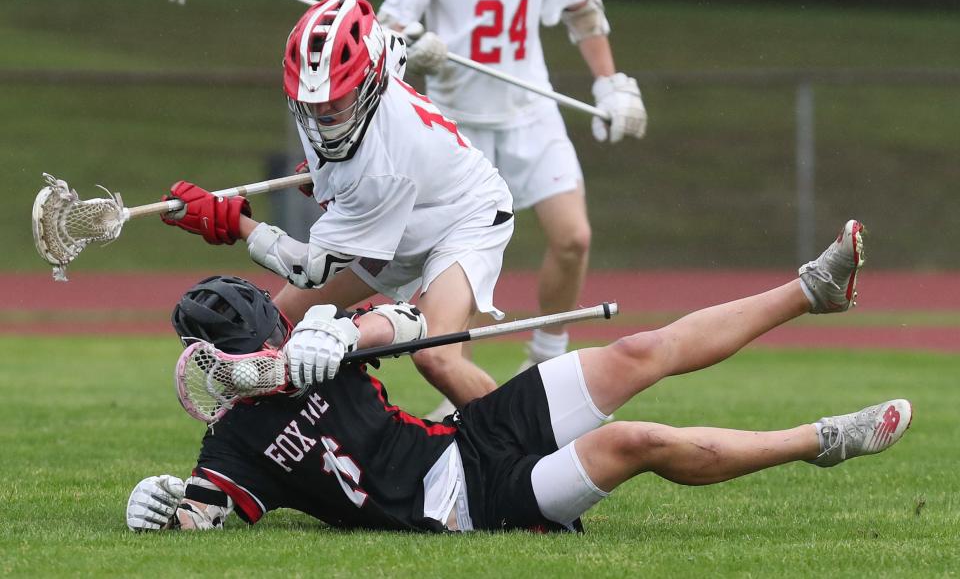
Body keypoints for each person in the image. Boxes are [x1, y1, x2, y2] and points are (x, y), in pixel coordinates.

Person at [127, 220, 912, 534]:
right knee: (634, 441)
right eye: (264, 343)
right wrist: (153, 506)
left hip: (471, 435)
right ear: (217, 371)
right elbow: (202, 518)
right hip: (470, 506)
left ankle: (812, 289)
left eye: (282, 330)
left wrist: (344, 330)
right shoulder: (230, 446)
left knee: (635, 352)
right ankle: (821, 440)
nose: (283, 341)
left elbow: (416, 325)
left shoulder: (315, 349)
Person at [159, 0, 515, 411]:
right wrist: (330, 180)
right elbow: (395, 48)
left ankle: (521, 450)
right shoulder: (350, 74)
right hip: (399, 215)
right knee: (275, 332)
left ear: (368, 80)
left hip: (464, 218)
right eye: (312, 101)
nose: (322, 114)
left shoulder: (381, 169)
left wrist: (231, 221)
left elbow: (311, 269)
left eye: (337, 99)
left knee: (435, 353)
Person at [378, 0, 648, 381]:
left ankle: (546, 359)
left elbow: (582, 10)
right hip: (457, 120)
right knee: (453, 258)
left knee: (574, 237)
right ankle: (458, 384)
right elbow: (385, 29)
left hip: (532, 114)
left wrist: (610, 84)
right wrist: (410, 45)